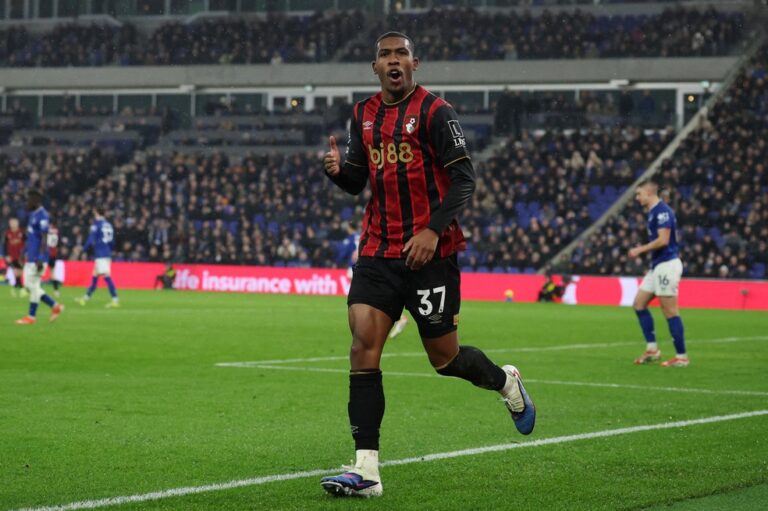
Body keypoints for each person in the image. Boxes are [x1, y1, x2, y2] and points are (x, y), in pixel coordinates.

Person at [319, 32, 535, 498]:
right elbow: (360, 179)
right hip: (378, 250)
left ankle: (505, 381)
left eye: (401, 54)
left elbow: (464, 180)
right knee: (362, 344)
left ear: (415, 63)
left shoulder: (437, 112)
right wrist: (339, 173)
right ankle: (367, 470)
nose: (393, 61)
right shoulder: (362, 115)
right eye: (384, 55)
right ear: (374, 67)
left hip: (431, 255)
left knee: (446, 359)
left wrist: (433, 230)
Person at [629, 179, 688, 367]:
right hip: (658, 266)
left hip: (667, 265)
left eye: (639, 194)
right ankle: (653, 350)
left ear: (648, 193)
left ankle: (681, 357)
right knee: (639, 304)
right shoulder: (653, 212)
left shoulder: (662, 211)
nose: (637, 198)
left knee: (670, 311)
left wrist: (640, 249)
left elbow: (663, 240)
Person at [15, 190, 64, 324]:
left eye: (29, 200)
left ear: (36, 201)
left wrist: (41, 258)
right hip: (31, 256)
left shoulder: (43, 215)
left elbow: (44, 237)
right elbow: (31, 237)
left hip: (37, 258)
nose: (27, 203)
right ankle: (34, 315)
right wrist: (22, 252)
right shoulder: (33, 215)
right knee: (33, 285)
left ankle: (52, 307)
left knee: (30, 285)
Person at [77, 207, 119, 308]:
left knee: (106, 277)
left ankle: (115, 299)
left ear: (97, 213)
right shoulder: (109, 224)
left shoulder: (97, 225)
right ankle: (85, 298)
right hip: (106, 252)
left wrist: (83, 250)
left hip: (101, 254)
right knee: (95, 276)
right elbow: (112, 241)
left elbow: (91, 239)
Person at [4, 217, 25, 297]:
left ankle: (15, 287)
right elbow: (4, 245)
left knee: (20, 272)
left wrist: (25, 253)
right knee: (16, 271)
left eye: (14, 222)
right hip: (11, 256)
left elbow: (26, 243)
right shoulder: (7, 233)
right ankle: (22, 289)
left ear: (17, 223)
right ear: (9, 224)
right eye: (11, 223)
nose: (13, 224)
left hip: (21, 256)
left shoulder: (22, 232)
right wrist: (6, 255)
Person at [47, 218, 64, 297]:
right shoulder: (57, 230)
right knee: (52, 272)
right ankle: (56, 290)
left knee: (38, 271)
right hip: (53, 253)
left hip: (46, 252)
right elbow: (59, 242)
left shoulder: (47, 229)